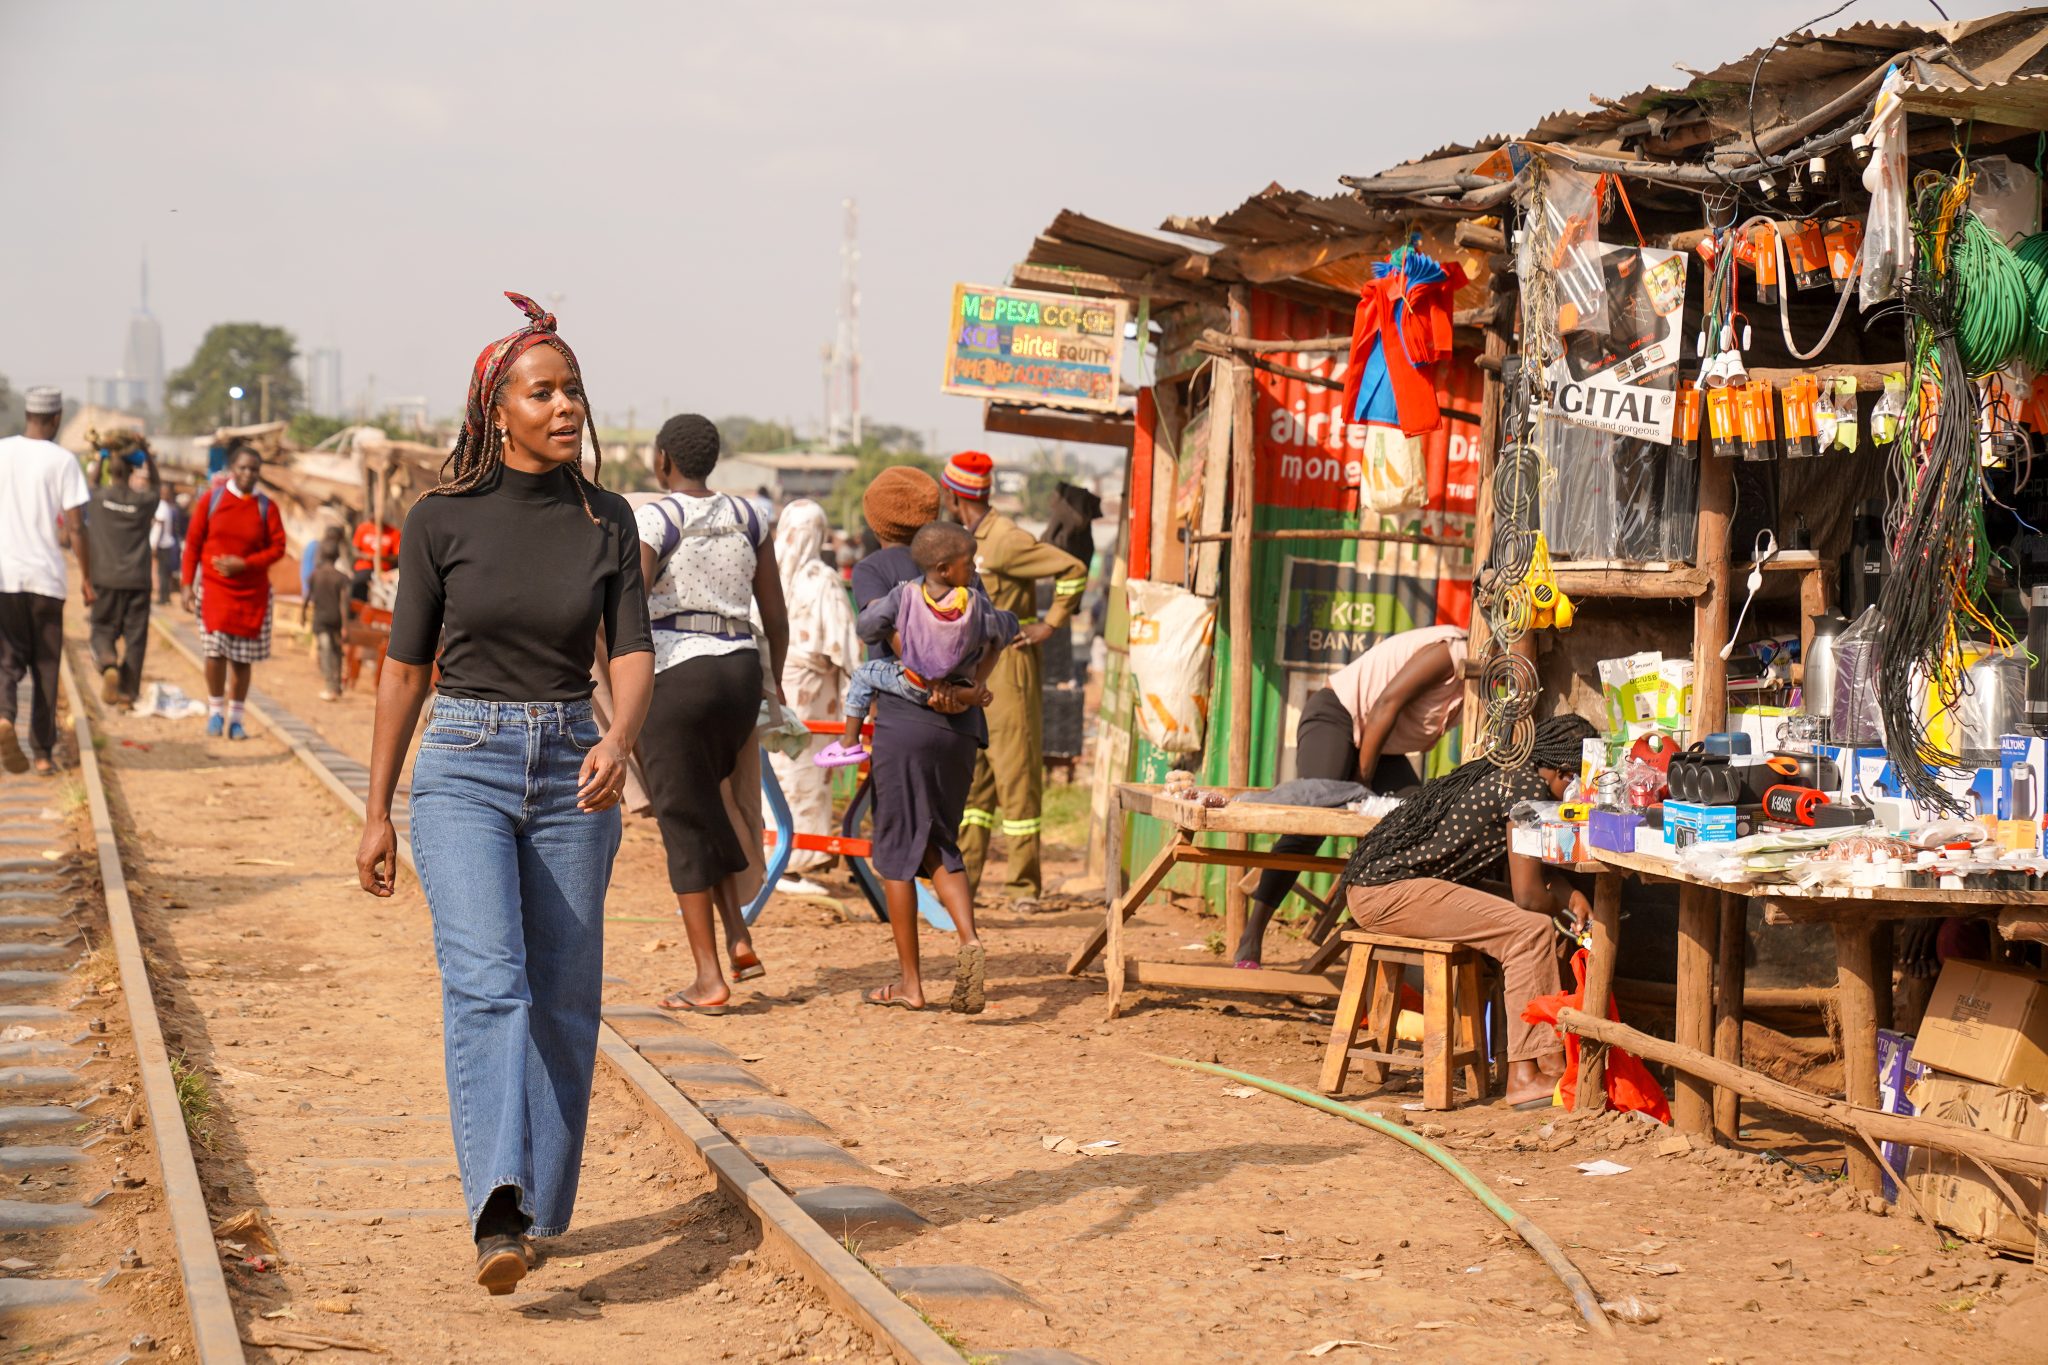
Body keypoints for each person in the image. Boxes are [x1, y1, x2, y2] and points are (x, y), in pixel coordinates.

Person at [355, 291, 652, 1296]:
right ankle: (496, 1201)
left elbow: (635, 652)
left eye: (572, 388)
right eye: (543, 390)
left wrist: (620, 737)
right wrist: (375, 809)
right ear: (497, 411)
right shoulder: (438, 520)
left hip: (575, 764)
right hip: (464, 766)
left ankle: (535, 1203)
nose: (565, 405)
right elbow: (402, 670)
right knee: (491, 988)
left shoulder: (605, 518)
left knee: (565, 1000)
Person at [1336, 714, 1594, 1109]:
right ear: (1562, 772)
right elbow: (1526, 895)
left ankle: (1551, 1063)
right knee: (1531, 931)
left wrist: (1569, 894)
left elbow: (1527, 869)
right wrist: (1561, 912)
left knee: (1533, 925)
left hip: (1387, 885)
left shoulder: (1512, 774)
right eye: (1575, 784)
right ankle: (1526, 1076)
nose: (1573, 796)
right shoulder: (1526, 790)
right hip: (1385, 893)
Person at [636, 414, 788, 1015]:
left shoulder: (657, 517)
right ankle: (738, 938)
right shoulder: (752, 516)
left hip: (678, 674)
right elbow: (773, 612)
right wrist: (772, 686)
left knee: (682, 822)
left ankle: (708, 978)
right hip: (739, 673)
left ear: (664, 460)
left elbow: (629, 603)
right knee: (710, 805)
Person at [1236, 623, 1470, 966]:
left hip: (1381, 745)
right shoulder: (1453, 651)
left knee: (1415, 825)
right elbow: (1385, 706)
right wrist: (1359, 788)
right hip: (1337, 717)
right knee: (1312, 823)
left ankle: (1382, 944)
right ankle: (1251, 934)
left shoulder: (1492, 679)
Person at [852, 467, 994, 1012]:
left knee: (893, 852)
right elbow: (981, 637)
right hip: (959, 724)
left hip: (906, 722)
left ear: (874, 519)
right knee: (938, 842)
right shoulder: (961, 566)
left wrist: (923, 680)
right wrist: (961, 690)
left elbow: (887, 631)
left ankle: (911, 985)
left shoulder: (872, 569)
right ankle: (969, 939)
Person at [938, 452, 1088, 908]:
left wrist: (1050, 624)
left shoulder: (1005, 540)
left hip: (1009, 667)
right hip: (974, 666)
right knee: (977, 780)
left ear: (955, 494)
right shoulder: (970, 538)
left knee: (1017, 773)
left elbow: (1073, 570)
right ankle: (969, 877)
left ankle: (1024, 886)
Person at [820, 522, 1014, 766]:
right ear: (944, 569)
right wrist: (979, 680)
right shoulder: (975, 603)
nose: (975, 568)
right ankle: (962, 693)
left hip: (913, 685)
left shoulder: (905, 594)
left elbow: (867, 628)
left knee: (863, 674)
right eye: (970, 563)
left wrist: (890, 621)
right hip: (963, 684)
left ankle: (849, 742)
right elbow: (1004, 631)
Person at [766, 498, 861, 895]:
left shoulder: (765, 573)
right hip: (813, 689)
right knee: (804, 770)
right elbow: (843, 640)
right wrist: (859, 681)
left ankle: (773, 850)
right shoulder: (821, 579)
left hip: (774, 682)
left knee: (776, 769)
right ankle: (794, 861)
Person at [0, 387, 92, 775]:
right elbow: (75, 526)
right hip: (46, 581)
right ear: (55, 419)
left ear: (28, 414)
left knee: (6, 660)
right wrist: (87, 577)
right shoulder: (63, 461)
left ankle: (4, 717)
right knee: (46, 666)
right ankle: (41, 753)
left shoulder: (2, 451)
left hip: (5, 577)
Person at [180, 443, 286, 739]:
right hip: (215, 592)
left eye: (254, 469)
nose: (248, 474)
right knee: (214, 653)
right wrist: (187, 585)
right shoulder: (211, 501)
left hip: (252, 595)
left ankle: (236, 718)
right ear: (231, 469)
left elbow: (278, 547)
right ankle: (215, 712)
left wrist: (246, 564)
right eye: (242, 468)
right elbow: (193, 544)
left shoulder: (267, 507)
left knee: (242, 659)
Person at [85, 437, 163, 707]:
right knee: (135, 637)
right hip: (137, 580)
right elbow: (156, 486)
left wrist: (103, 456)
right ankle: (128, 693)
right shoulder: (143, 503)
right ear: (132, 472)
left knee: (102, 627)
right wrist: (146, 453)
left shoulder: (99, 499)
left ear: (110, 471)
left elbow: (92, 484)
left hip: (104, 578)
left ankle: (108, 664)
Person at [302, 529, 352, 701]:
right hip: (336, 621)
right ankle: (337, 687)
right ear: (338, 556)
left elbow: (307, 598)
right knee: (336, 652)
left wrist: (302, 616)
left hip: (321, 620)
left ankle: (330, 687)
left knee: (326, 651)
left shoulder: (314, 575)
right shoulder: (342, 578)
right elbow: (343, 604)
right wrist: (345, 626)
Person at [351, 514, 401, 601]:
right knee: (358, 583)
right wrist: (366, 556)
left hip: (384, 570)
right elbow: (355, 551)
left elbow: (397, 557)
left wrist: (382, 558)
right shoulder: (363, 528)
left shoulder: (394, 532)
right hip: (364, 567)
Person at [151, 482, 184, 605]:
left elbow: (159, 525)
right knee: (165, 572)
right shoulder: (168, 507)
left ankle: (163, 598)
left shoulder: (162, 506)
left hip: (163, 544)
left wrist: (154, 544)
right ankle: (165, 597)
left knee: (163, 573)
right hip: (167, 543)